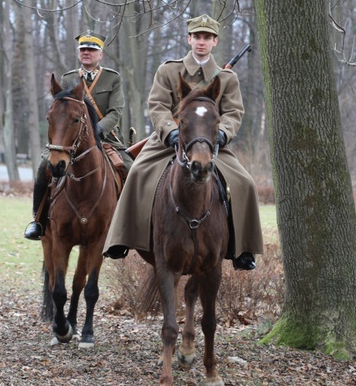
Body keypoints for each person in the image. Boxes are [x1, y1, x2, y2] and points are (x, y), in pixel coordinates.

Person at [103, 14, 263, 270]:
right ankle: (123, 239)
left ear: (215, 41)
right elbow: (157, 105)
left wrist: (221, 134)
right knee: (138, 173)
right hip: (169, 140)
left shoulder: (227, 79)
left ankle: (242, 250)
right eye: (197, 37)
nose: (201, 42)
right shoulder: (168, 70)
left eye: (207, 38)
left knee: (245, 183)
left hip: (210, 144)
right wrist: (171, 131)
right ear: (189, 39)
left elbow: (234, 113)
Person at [24, 31, 131, 240]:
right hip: (69, 140)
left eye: (91, 50)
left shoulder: (112, 78)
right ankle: (38, 221)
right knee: (43, 166)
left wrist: (99, 129)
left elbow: (115, 112)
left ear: (101, 54)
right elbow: (61, 113)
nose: (86, 53)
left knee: (131, 169)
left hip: (104, 137)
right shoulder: (68, 78)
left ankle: (127, 227)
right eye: (83, 50)